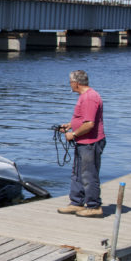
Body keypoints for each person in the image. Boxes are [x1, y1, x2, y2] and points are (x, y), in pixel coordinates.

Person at [57, 70, 105, 217]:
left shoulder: (90, 98)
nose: (70, 85)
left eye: (70, 82)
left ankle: (94, 206)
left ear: (76, 83)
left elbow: (90, 124)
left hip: (90, 142)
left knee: (89, 174)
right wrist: (70, 125)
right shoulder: (84, 96)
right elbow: (83, 118)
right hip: (83, 142)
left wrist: (74, 134)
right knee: (77, 173)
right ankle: (76, 203)